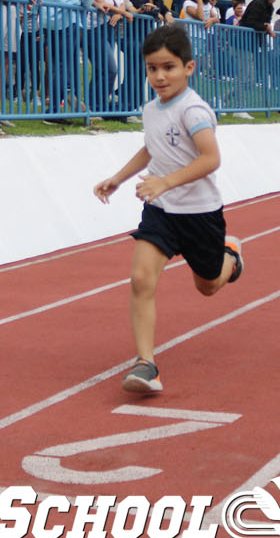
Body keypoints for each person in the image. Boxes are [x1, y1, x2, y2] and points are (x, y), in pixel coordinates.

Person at [92, 23, 243, 394]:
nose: (159, 76)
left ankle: (231, 257)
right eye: (152, 68)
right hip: (160, 210)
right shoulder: (151, 108)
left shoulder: (194, 110)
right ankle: (146, 364)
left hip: (200, 213)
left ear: (189, 68)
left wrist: (165, 181)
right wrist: (119, 178)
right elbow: (152, 148)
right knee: (141, 279)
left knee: (208, 286)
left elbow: (210, 159)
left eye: (169, 67)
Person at [40, 0, 97, 113]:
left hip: (49, 17)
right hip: (68, 18)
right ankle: (54, 110)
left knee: (57, 64)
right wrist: (86, 5)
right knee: (63, 66)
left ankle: (66, 104)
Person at [91, 0, 137, 111]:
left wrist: (119, 14)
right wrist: (122, 13)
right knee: (110, 69)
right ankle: (98, 104)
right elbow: (102, 3)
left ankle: (96, 105)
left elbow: (122, 4)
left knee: (102, 70)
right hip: (96, 28)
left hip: (110, 28)